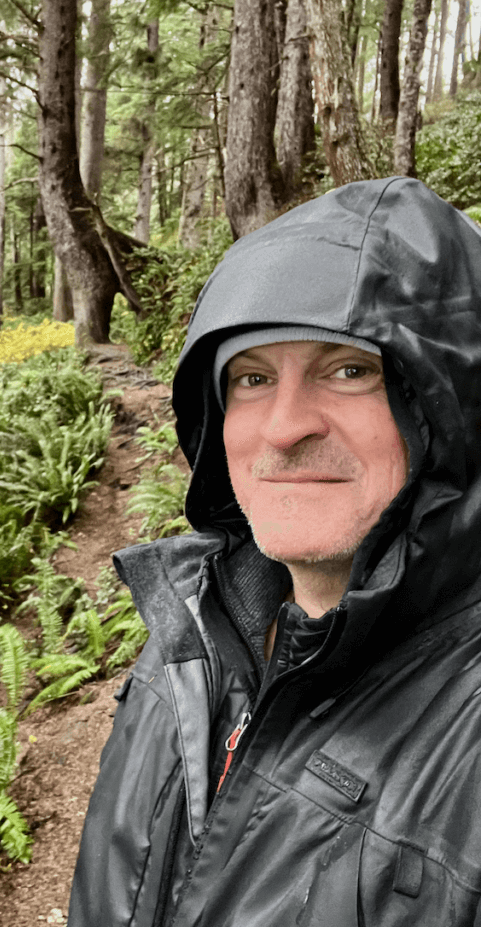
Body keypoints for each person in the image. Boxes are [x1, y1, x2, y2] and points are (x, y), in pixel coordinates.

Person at [68, 176, 481, 926]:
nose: (284, 426)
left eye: (350, 370)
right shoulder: (189, 634)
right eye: (252, 378)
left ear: (451, 406)